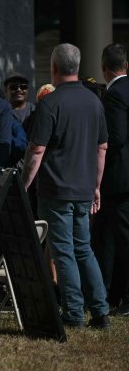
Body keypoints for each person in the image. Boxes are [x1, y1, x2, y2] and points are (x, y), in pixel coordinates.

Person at [22, 43, 110, 329]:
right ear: (78, 67)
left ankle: (73, 313)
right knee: (84, 248)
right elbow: (102, 147)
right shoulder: (94, 101)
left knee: (63, 251)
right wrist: (96, 185)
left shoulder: (51, 102)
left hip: (57, 189)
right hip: (84, 188)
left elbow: (37, 151)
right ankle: (100, 311)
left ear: (54, 68)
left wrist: (23, 184)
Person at [95, 43, 129, 316]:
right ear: (126, 65)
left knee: (121, 240)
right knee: (113, 239)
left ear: (104, 68)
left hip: (119, 179)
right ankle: (110, 294)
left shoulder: (114, 95)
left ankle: (121, 298)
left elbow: (116, 137)